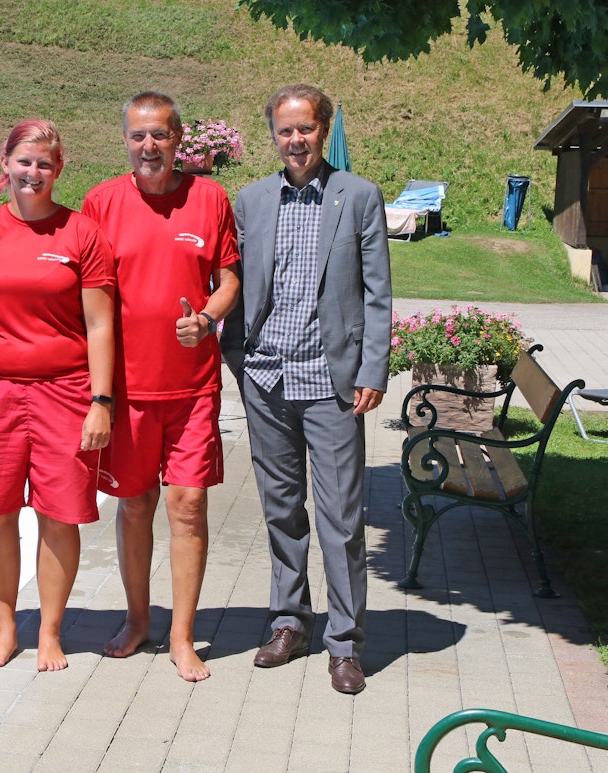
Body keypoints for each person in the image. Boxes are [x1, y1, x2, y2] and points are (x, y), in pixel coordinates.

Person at [220, 84, 392, 694]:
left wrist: (373, 369)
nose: (296, 140)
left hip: (334, 385)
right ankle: (289, 621)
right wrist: (237, 360)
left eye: (306, 129)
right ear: (273, 135)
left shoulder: (358, 197)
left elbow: (377, 294)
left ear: (323, 130)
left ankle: (344, 643)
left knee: (342, 519)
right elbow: (234, 283)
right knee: (281, 510)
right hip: (267, 379)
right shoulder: (252, 200)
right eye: (285, 130)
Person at [82, 91, 240, 682]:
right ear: (125, 139)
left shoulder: (209, 197)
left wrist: (206, 318)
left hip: (192, 387)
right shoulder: (101, 203)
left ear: (179, 140)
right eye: (139, 135)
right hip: (126, 389)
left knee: (189, 505)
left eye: (161, 135)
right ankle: (138, 619)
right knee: (135, 505)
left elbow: (228, 279)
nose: (150, 146)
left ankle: (182, 635)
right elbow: (85, 294)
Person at [0, 119, 115, 672]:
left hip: (65, 394)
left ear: (58, 169)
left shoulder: (82, 234)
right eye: (24, 161)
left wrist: (101, 400)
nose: (33, 172)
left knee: (57, 515)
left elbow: (99, 325)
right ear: (6, 163)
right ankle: (3, 629)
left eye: (44, 164)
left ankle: (49, 631)